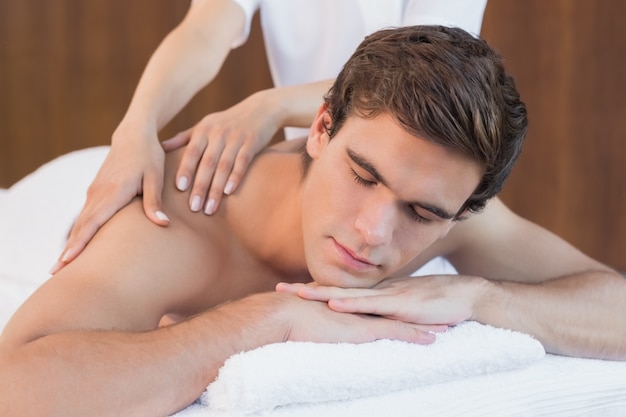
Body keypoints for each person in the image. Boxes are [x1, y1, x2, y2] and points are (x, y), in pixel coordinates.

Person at [1, 25, 624, 417]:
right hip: (79, 188)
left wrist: (478, 296)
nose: (373, 232)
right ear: (321, 129)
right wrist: (268, 318)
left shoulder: (448, 204)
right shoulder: (175, 223)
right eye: (363, 175)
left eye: (423, 214)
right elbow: (16, 387)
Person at [52, 0, 488, 273]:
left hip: (412, 173)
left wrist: (269, 105)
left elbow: (420, 85)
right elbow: (205, 28)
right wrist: (135, 128)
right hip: (319, 172)